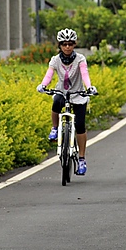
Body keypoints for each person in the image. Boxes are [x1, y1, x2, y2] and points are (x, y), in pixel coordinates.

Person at [36, 29, 97, 176]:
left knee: (80, 125)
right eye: (64, 44)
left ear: (74, 44)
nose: (67, 47)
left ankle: (81, 159)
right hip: (62, 92)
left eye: (70, 44)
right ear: (60, 45)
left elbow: (84, 74)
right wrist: (43, 85)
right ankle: (55, 128)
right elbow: (49, 74)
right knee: (56, 101)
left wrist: (89, 87)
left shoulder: (80, 59)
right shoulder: (55, 60)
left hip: (78, 94)